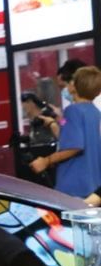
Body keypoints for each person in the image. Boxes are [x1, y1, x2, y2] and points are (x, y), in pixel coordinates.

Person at [31, 67, 101, 198]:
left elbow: (74, 146)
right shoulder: (94, 112)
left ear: (75, 86)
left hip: (74, 186)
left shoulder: (72, 111)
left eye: (72, 80)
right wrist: (55, 122)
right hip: (92, 186)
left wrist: (46, 161)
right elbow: (69, 135)